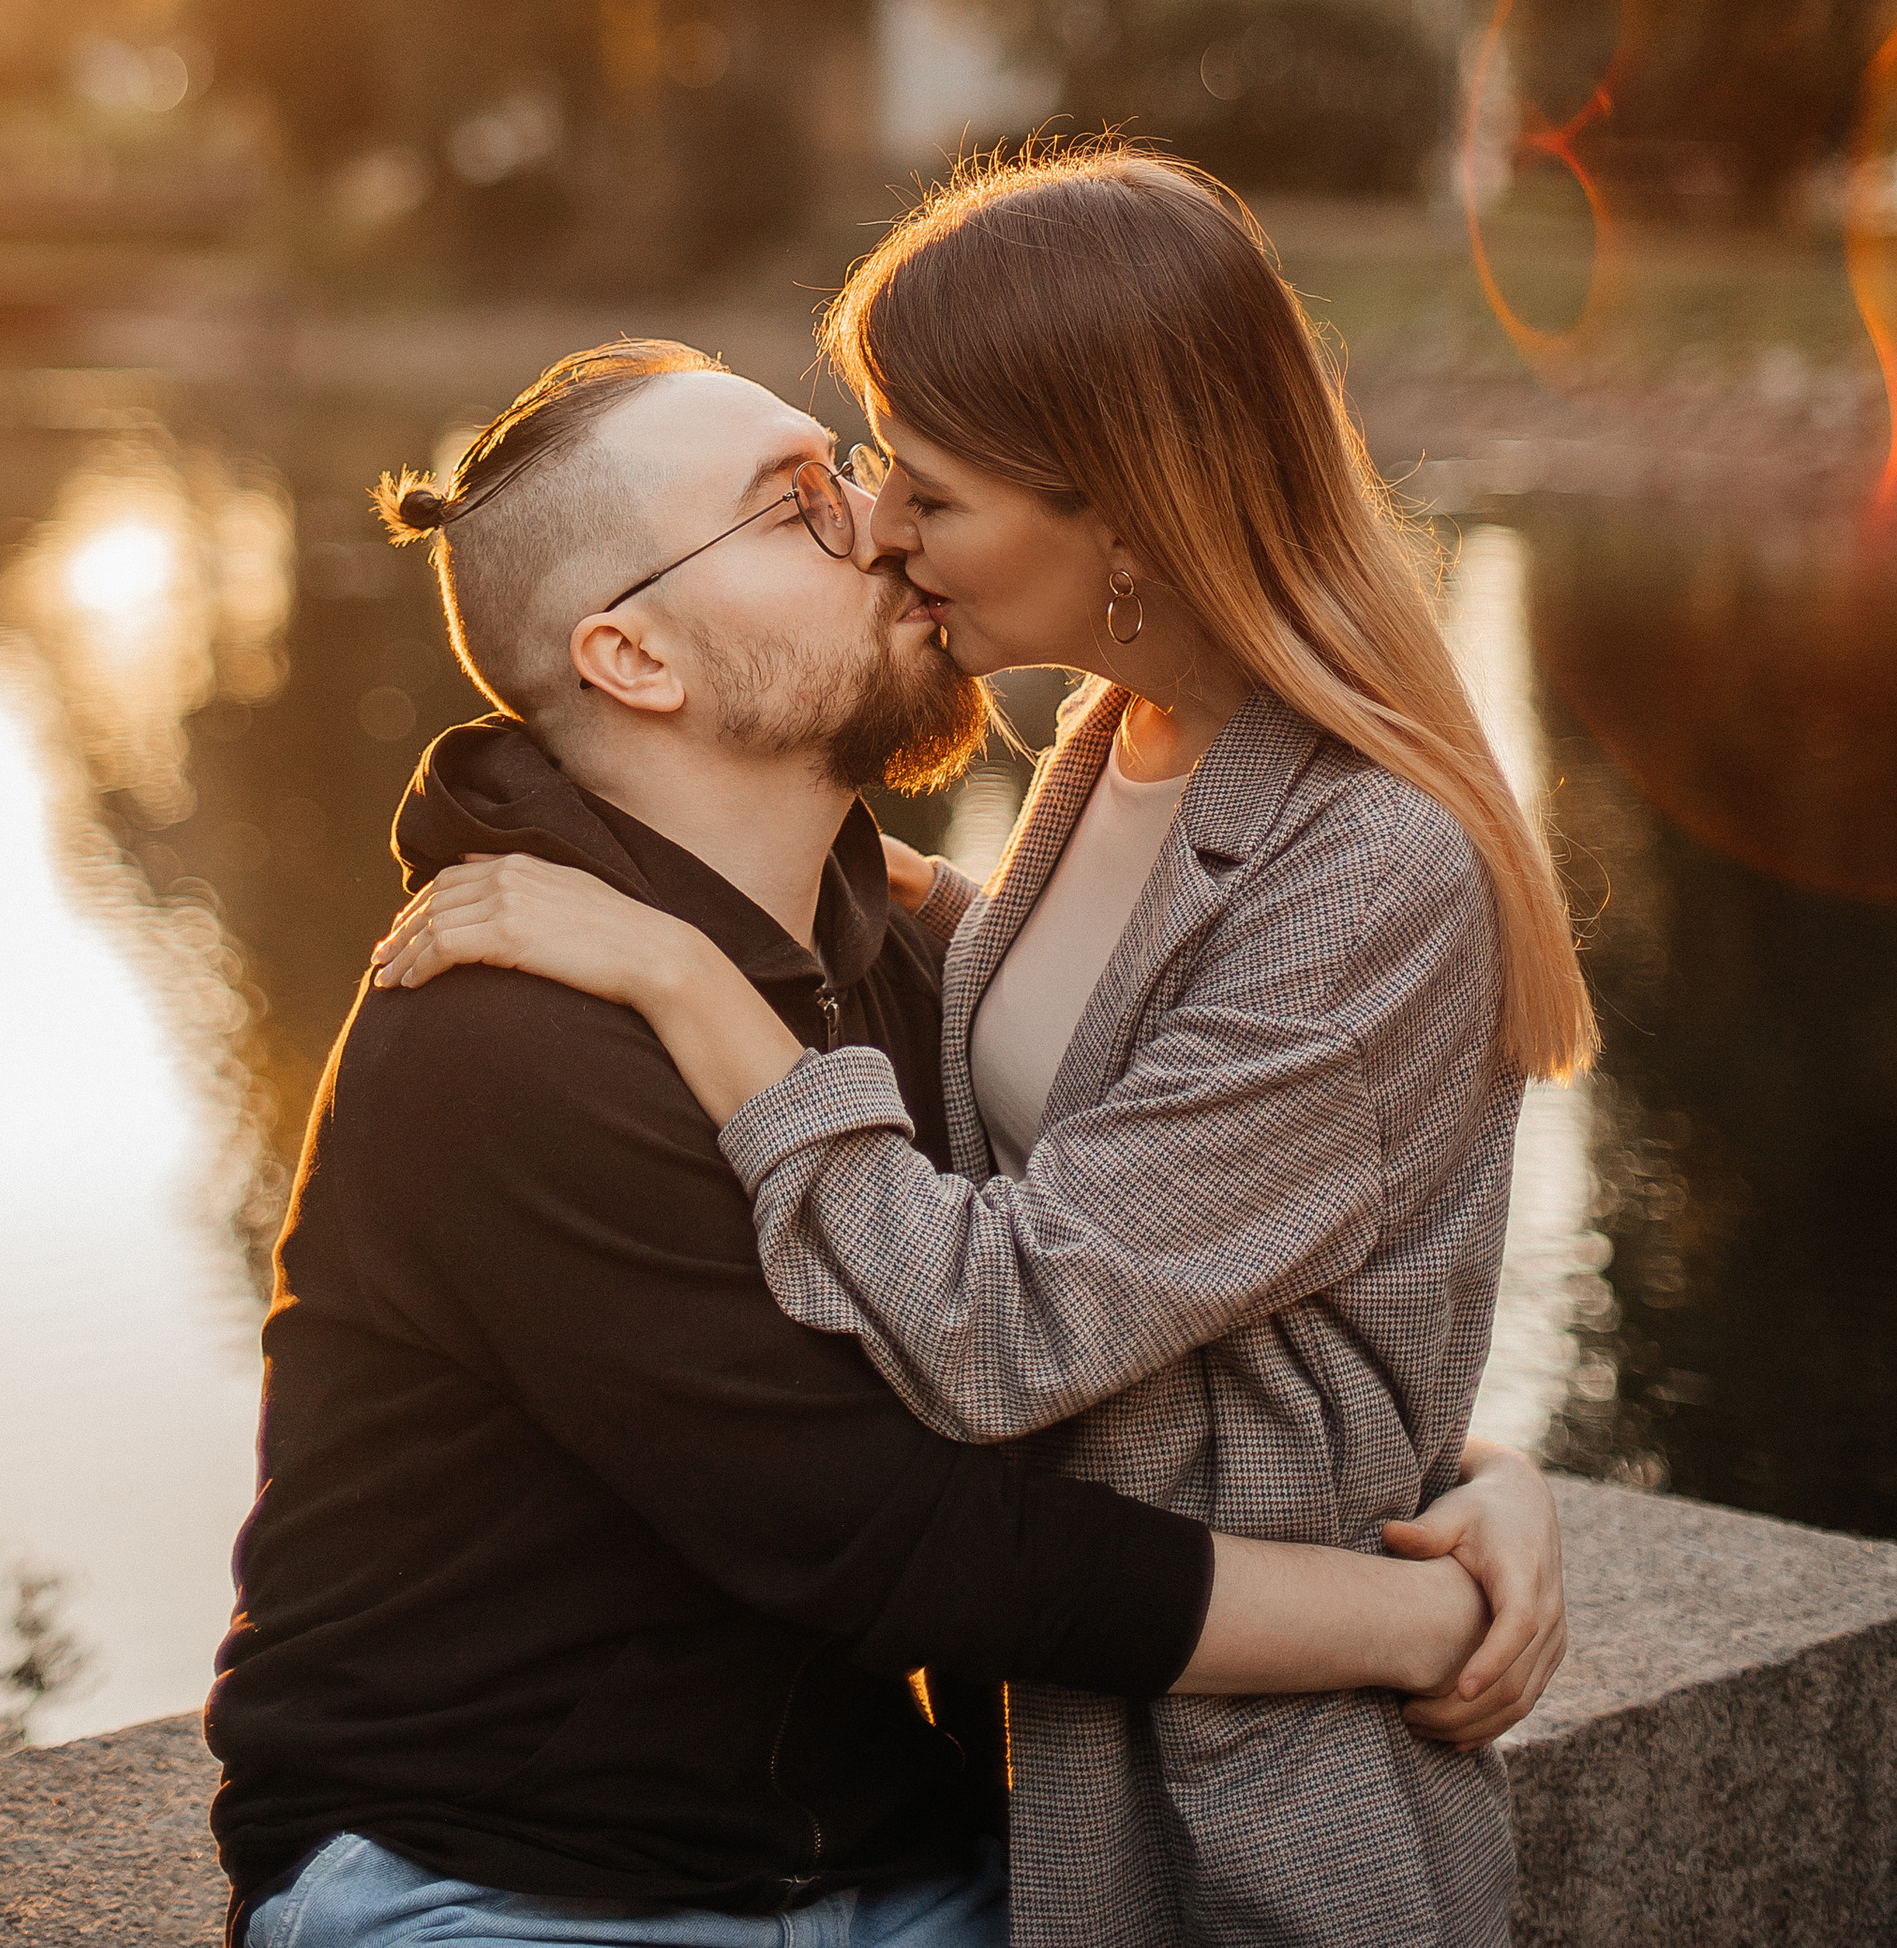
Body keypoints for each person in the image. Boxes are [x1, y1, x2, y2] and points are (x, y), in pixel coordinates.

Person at [211, 325, 1567, 1948]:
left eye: (850, 469)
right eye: (798, 505)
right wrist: (1416, 1617)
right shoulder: (504, 1033)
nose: (886, 522)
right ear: (637, 659)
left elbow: (1145, 1314)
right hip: (497, 1883)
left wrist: (1476, 1473)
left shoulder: (917, 962)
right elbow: (903, 1541)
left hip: (896, 1869)